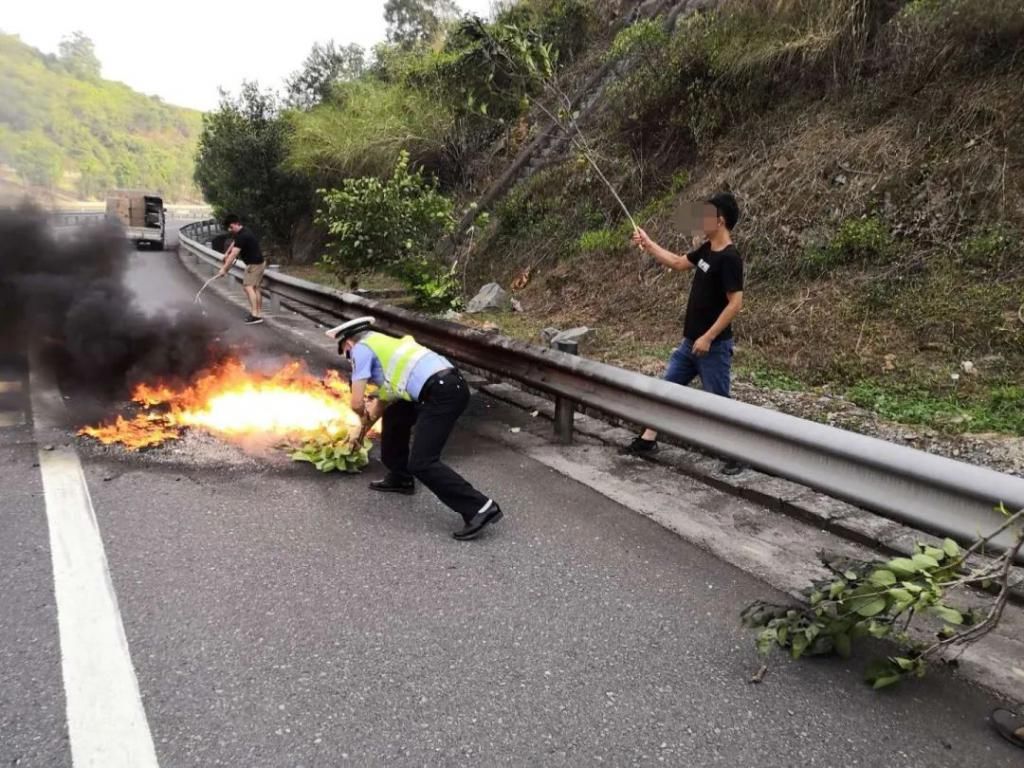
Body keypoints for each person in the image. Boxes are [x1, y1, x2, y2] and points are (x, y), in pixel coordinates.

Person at [327, 317, 504, 541]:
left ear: (348, 344)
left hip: (442, 393)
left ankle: (479, 507)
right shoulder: (385, 348)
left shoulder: (361, 349)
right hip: (443, 387)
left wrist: (359, 418)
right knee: (395, 416)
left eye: (346, 354)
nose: (350, 360)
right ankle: (401, 477)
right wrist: (359, 435)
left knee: (423, 462)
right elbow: (380, 406)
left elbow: (356, 403)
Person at [623, 192, 746, 476]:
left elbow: (735, 303)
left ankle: (736, 454)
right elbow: (678, 263)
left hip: (712, 347)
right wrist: (649, 243)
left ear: (721, 220)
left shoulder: (729, 258)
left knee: (718, 402)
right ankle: (647, 440)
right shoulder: (706, 250)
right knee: (667, 389)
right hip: (690, 343)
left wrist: (709, 337)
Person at [216, 214, 265, 325]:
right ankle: (258, 313)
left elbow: (234, 254)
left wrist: (224, 269)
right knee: (255, 288)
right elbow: (234, 243)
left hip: (254, 265)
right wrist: (226, 253)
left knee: (248, 287)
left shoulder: (243, 236)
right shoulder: (243, 231)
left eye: (231, 227)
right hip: (259, 262)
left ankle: (255, 315)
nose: (230, 230)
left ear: (236, 224)